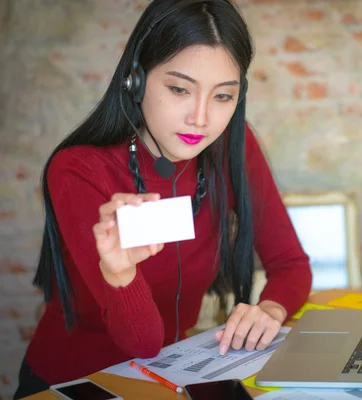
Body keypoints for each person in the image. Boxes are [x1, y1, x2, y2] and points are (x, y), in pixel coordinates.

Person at [14, 0, 312, 398]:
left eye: (223, 97)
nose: (201, 118)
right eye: (179, 89)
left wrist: (269, 311)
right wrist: (121, 276)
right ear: (136, 80)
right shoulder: (79, 170)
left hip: (172, 379)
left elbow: (291, 264)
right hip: (75, 385)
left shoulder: (230, 150)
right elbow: (141, 343)